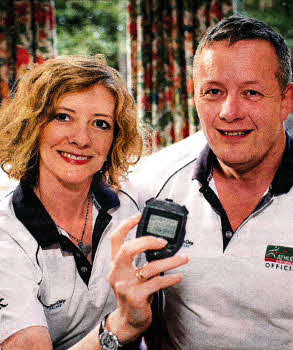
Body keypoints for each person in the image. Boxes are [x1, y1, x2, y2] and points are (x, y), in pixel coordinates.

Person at [117, 14, 293, 349]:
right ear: (194, 97)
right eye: (213, 91)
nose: (229, 111)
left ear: (286, 101)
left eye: (251, 92)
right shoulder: (151, 186)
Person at [0, 55, 188, 350]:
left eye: (100, 124)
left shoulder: (135, 205)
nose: (81, 138)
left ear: (115, 138)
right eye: (63, 117)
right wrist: (120, 326)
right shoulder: (6, 234)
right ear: (34, 125)